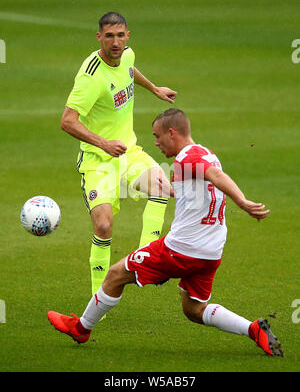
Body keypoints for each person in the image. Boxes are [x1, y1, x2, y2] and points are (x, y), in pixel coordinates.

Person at [48, 108, 283, 357]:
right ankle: (254, 330)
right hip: (211, 252)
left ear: (172, 133)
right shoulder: (207, 154)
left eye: (157, 136)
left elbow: (216, 176)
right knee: (193, 309)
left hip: (181, 249)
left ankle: (81, 328)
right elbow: (205, 184)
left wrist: (243, 202)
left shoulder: (185, 158)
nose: (156, 143)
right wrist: (175, 191)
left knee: (116, 274)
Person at [61, 12, 176, 295]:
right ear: (99, 37)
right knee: (103, 226)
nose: (116, 42)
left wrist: (154, 89)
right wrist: (103, 144)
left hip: (128, 151)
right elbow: (67, 120)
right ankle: (97, 296)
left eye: (120, 35)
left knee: (162, 186)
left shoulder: (127, 55)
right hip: (98, 159)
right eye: (109, 36)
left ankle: (146, 259)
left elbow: (129, 70)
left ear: (128, 36)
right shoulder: (90, 77)